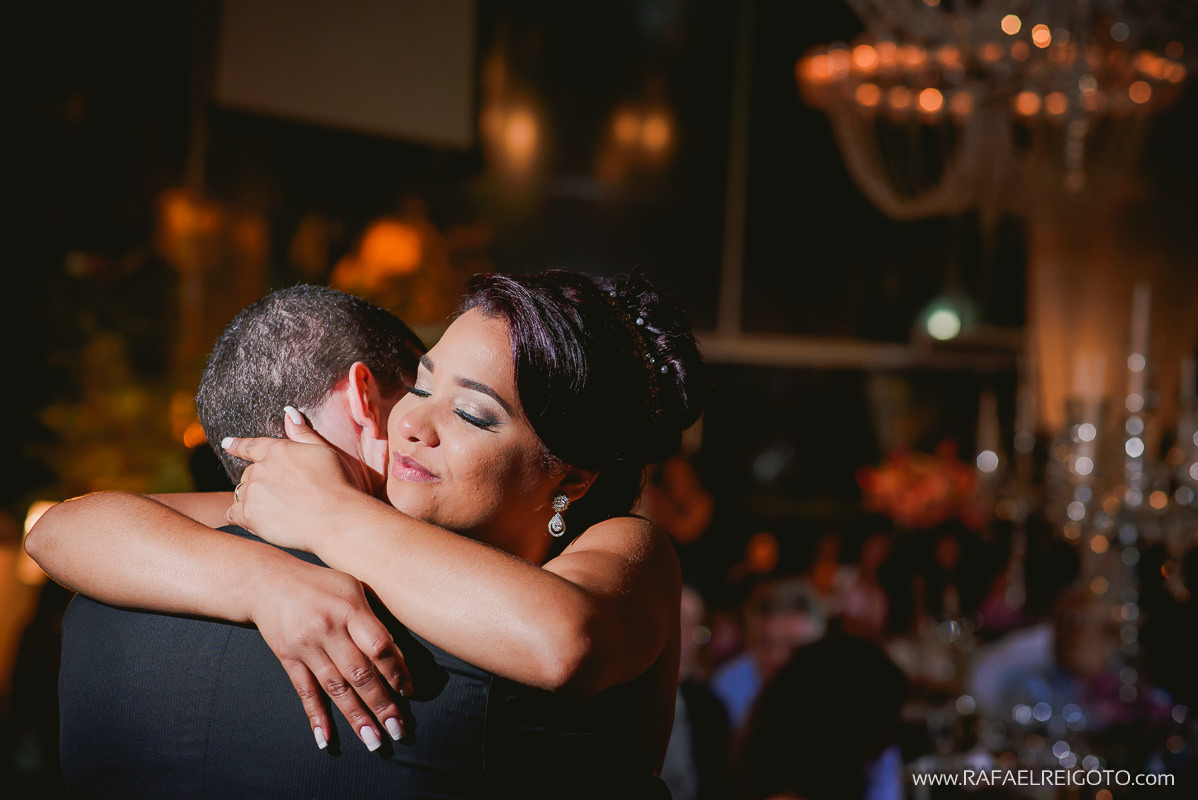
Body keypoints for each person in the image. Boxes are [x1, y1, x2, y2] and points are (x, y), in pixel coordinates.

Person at [28, 269, 708, 798]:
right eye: (421, 386)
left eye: (473, 414)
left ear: (574, 478)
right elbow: (63, 529)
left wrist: (336, 516)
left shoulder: (627, 548)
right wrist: (261, 579)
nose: (413, 422)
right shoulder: (334, 515)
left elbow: (564, 641)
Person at [56, 286, 507, 798]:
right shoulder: (457, 621)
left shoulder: (95, 605)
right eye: (416, 391)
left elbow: (57, 527)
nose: (417, 425)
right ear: (365, 397)